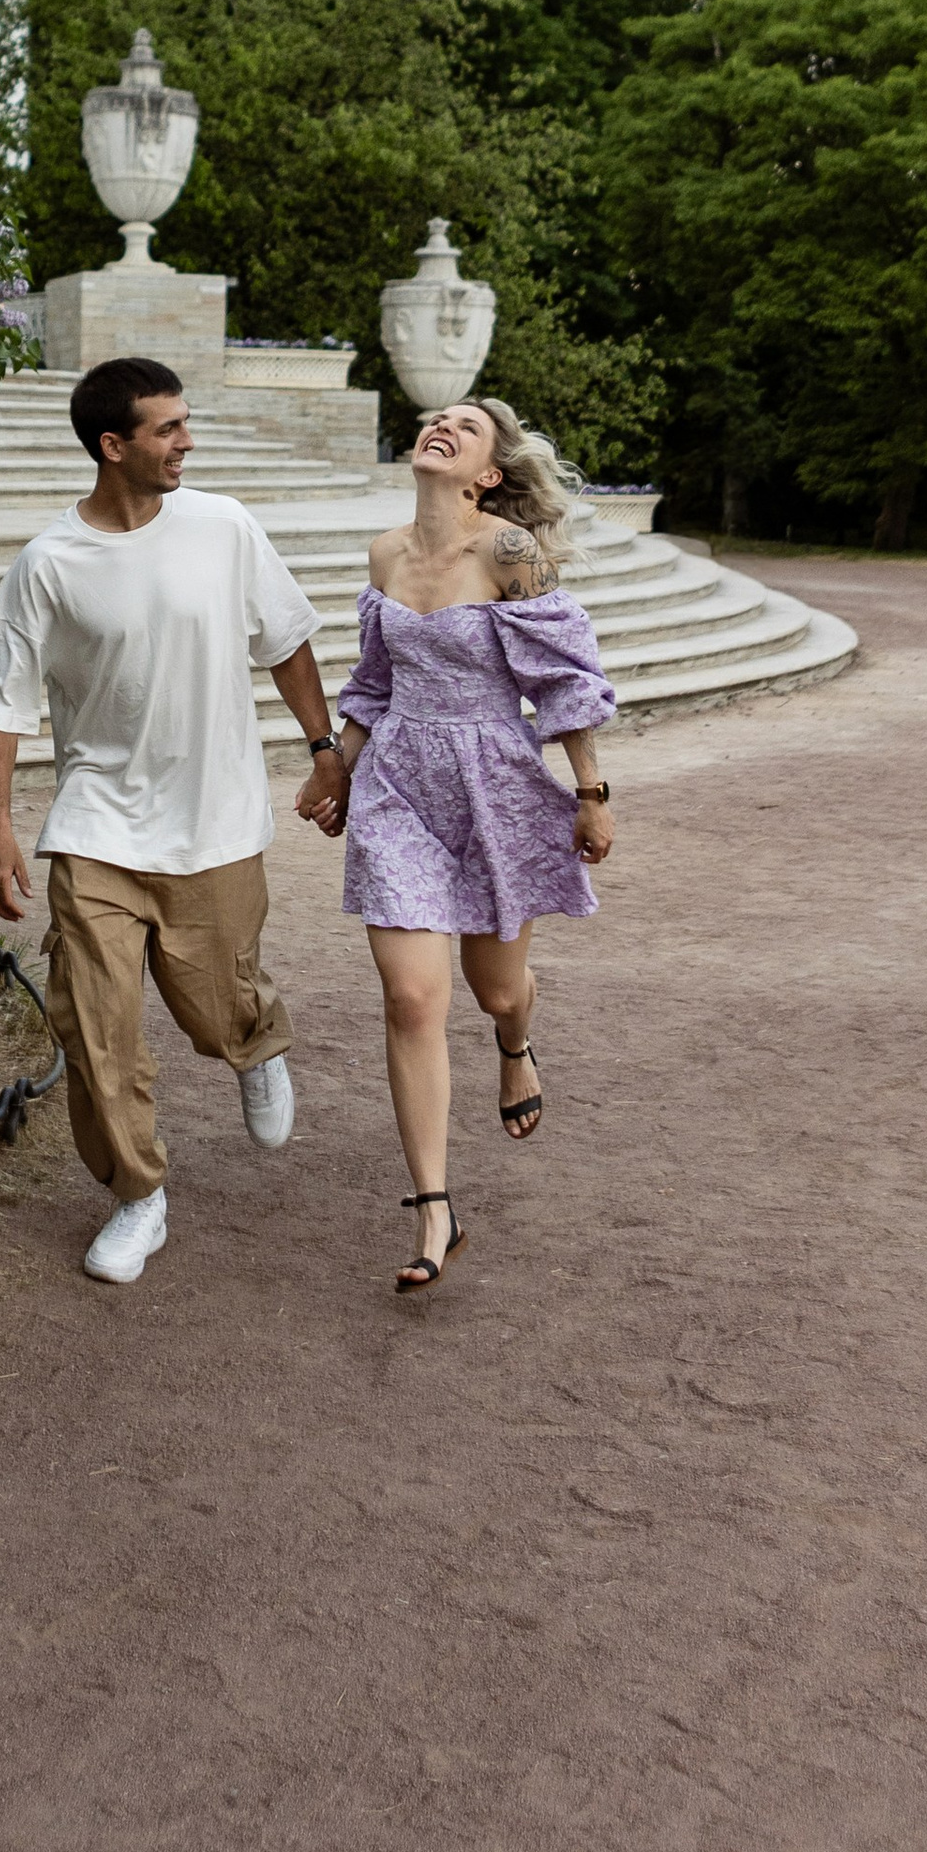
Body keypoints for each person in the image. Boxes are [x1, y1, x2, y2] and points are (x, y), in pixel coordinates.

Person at [0, 354, 350, 1284]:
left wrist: (324, 747)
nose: (188, 442)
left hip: (214, 820)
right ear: (114, 446)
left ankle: (250, 1044)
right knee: (93, 1025)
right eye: (168, 429)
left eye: (186, 423)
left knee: (214, 999)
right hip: (97, 826)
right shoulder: (49, 565)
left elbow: (287, 639)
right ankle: (139, 1196)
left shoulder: (222, 526)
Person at [296, 397, 615, 1292]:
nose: (442, 424)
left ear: (487, 474)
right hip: (399, 786)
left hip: (495, 788)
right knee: (410, 997)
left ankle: (515, 1047)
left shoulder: (508, 553)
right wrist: (337, 772)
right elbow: (374, 681)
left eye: (465, 427)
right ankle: (434, 1211)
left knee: (496, 989)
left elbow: (562, 677)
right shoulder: (385, 553)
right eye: (435, 417)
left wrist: (590, 795)